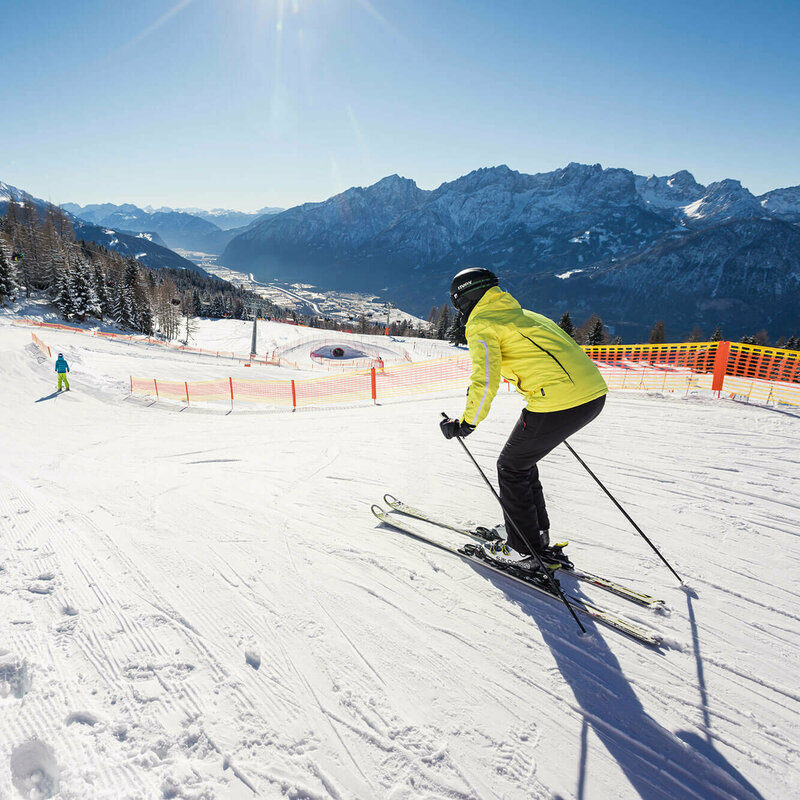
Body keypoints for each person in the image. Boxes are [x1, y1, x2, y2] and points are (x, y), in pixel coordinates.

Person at [440, 267, 608, 571]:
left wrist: (465, 422)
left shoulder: (481, 324)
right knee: (521, 462)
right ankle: (533, 535)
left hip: (559, 401)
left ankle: (522, 550)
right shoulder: (521, 314)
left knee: (510, 466)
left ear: (463, 299)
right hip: (591, 395)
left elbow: (485, 379)